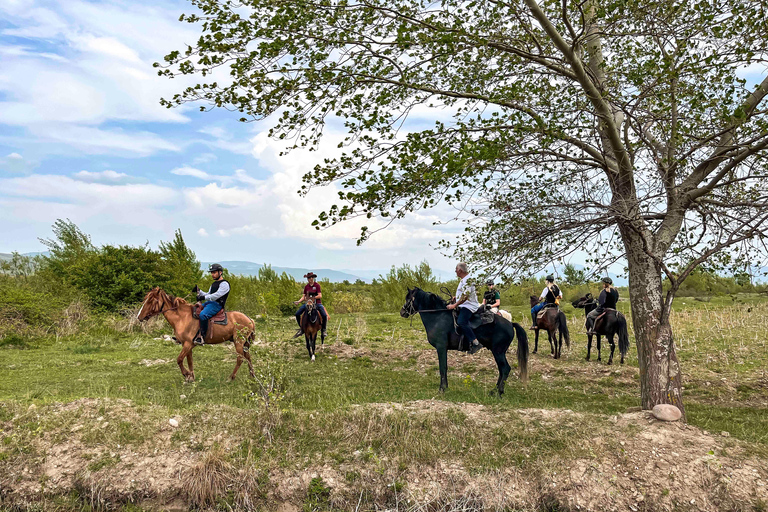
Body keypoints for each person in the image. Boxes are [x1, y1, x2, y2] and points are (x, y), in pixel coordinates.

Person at [446, 262, 483, 354]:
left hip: (469, 306)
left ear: (460, 270)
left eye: (456, 269)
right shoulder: (464, 280)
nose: (455, 271)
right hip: (464, 304)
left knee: (461, 322)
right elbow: (462, 295)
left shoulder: (468, 280)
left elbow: (465, 296)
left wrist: (454, 305)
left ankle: (475, 342)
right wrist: (456, 298)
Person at [194, 263, 230, 345]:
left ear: (220, 272)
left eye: (214, 272)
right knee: (194, 310)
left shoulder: (224, 284)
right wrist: (199, 291)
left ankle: (202, 336)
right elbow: (208, 294)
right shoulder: (214, 284)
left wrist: (203, 298)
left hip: (217, 305)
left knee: (203, 315)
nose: (212, 274)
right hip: (209, 303)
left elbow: (216, 296)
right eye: (211, 273)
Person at [293, 272, 328, 338]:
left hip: (317, 303)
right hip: (308, 303)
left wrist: (313, 298)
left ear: (313, 278)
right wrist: (298, 301)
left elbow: (320, 295)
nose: (310, 279)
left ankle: (323, 330)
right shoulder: (306, 287)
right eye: (309, 277)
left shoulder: (317, 285)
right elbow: (304, 297)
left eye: (311, 277)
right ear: (307, 279)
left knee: (324, 315)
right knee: (297, 314)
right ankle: (302, 328)